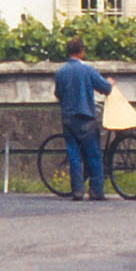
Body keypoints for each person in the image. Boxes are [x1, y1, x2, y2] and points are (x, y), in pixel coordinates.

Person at [54, 36, 113, 201]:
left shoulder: (61, 72)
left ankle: (77, 191)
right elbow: (105, 88)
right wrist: (110, 83)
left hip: (68, 117)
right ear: (81, 52)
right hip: (85, 116)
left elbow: (58, 93)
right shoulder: (87, 70)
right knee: (92, 154)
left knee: (74, 155)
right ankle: (96, 191)